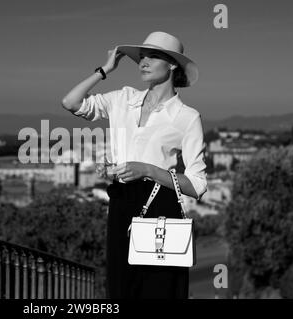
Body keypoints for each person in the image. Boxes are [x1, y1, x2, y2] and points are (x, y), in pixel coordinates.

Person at [61, 31, 207, 299]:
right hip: (121, 201)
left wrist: (147, 169)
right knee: (121, 287)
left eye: (153, 56)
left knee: (158, 289)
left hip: (160, 205)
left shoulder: (187, 117)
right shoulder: (123, 99)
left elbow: (197, 185)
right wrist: (104, 70)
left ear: (173, 64)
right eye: (141, 57)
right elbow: (71, 102)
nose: (143, 62)